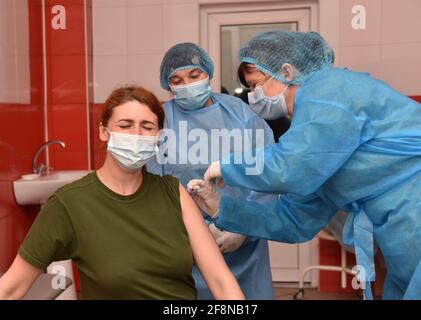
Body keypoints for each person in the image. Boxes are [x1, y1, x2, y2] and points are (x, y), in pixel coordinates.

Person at [197, 31, 421, 300]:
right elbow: (295, 220)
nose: (254, 96)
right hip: (400, 231)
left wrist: (229, 166)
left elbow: (290, 167)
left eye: (256, 85)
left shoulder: (329, 89)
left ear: (286, 71)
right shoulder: (314, 138)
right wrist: (225, 210)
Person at [0, 85, 244, 300]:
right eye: (125, 125)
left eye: (147, 127)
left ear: (159, 138)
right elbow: (11, 289)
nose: (136, 135)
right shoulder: (69, 204)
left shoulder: (173, 193)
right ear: (104, 132)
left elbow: (220, 280)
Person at [147, 43, 275, 299]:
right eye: (177, 79)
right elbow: (152, 187)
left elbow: (267, 173)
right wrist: (191, 233)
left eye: (194, 76)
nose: (187, 84)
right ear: (167, 84)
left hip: (246, 242)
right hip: (186, 245)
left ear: (207, 73)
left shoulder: (239, 113)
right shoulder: (162, 120)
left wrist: (244, 229)